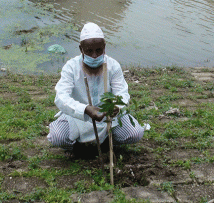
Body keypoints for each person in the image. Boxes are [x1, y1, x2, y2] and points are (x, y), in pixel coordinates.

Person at [47, 22, 144, 153]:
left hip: (108, 117)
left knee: (134, 133)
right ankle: (79, 148)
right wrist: (85, 109)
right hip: (78, 116)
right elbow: (61, 97)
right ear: (81, 49)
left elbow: (122, 93)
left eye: (99, 50)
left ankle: (108, 143)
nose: (94, 56)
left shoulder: (113, 66)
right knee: (58, 137)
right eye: (89, 51)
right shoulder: (71, 67)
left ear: (104, 47)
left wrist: (116, 106)